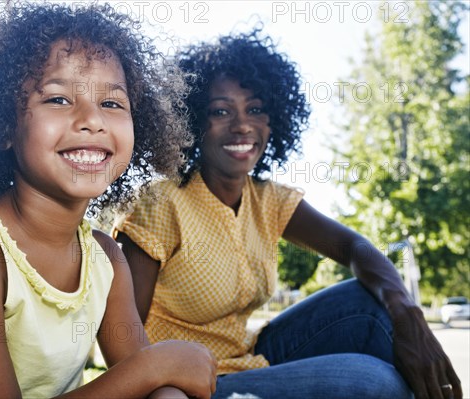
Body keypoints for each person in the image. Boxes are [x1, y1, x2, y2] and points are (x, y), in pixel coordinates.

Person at [0, 3, 217, 398]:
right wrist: (152, 366)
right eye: (58, 100)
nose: (93, 119)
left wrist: (160, 376)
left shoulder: (106, 259)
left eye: (112, 103)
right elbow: (145, 372)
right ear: (3, 125)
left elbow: (153, 383)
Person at [114, 30, 462, 399]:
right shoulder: (161, 203)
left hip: (248, 358)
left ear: (274, 119)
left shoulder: (269, 200)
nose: (242, 124)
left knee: (370, 305)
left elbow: (354, 247)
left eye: (256, 109)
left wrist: (409, 313)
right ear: (192, 120)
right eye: (221, 111)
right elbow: (123, 343)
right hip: (188, 385)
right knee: (377, 383)